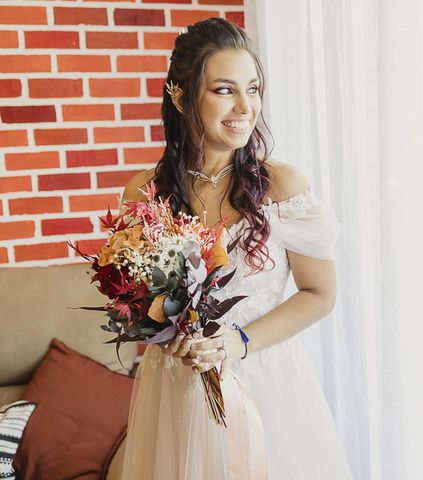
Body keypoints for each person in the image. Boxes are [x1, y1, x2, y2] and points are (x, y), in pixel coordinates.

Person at [118, 17, 354, 480]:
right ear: (182, 96)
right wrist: (163, 328)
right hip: (174, 391)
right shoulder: (144, 194)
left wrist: (238, 342)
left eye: (254, 88)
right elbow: (138, 299)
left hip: (266, 385)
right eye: (225, 89)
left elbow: (320, 294)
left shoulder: (282, 186)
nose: (245, 106)